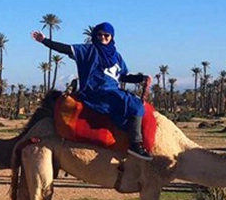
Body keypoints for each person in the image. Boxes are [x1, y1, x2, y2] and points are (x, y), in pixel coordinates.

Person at [31, 22, 153, 160]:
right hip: (96, 92)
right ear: (95, 35)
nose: (103, 38)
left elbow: (123, 76)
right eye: (99, 34)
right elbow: (66, 49)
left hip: (114, 91)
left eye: (106, 35)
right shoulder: (88, 51)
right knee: (134, 105)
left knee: (130, 107)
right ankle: (135, 145)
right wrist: (44, 41)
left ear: (112, 37)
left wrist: (141, 78)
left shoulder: (116, 56)